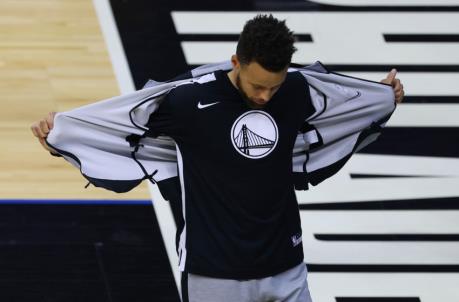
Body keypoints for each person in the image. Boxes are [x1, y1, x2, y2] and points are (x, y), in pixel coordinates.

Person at [31, 14, 404, 302]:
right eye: (257, 85)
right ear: (235, 62)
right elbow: (120, 123)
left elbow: (345, 103)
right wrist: (62, 137)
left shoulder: (296, 91)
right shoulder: (186, 102)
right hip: (213, 275)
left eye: (273, 87)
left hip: (286, 267)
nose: (264, 97)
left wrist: (382, 97)